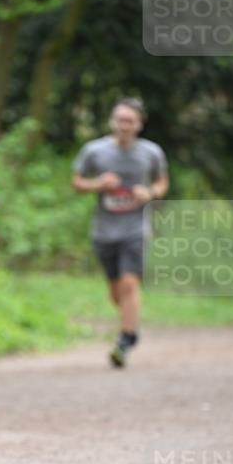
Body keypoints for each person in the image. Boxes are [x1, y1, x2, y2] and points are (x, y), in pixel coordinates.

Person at [71, 97, 169, 367]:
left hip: (136, 228)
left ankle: (125, 339)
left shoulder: (151, 152)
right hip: (104, 230)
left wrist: (149, 192)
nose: (124, 125)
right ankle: (130, 322)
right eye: (120, 120)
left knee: (130, 283)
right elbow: (77, 182)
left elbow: (162, 183)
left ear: (139, 124)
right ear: (112, 121)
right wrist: (98, 184)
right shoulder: (94, 150)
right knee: (116, 291)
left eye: (130, 121)